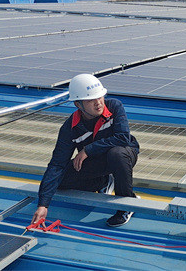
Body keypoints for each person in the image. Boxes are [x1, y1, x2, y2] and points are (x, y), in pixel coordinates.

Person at [31, 74, 140, 227]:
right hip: (97, 160)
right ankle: (103, 182)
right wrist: (43, 205)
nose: (98, 103)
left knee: (117, 154)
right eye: (90, 100)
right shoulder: (70, 128)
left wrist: (88, 150)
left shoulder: (114, 107)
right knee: (61, 180)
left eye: (100, 97)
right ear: (78, 104)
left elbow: (123, 138)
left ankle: (126, 205)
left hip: (123, 155)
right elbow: (57, 164)